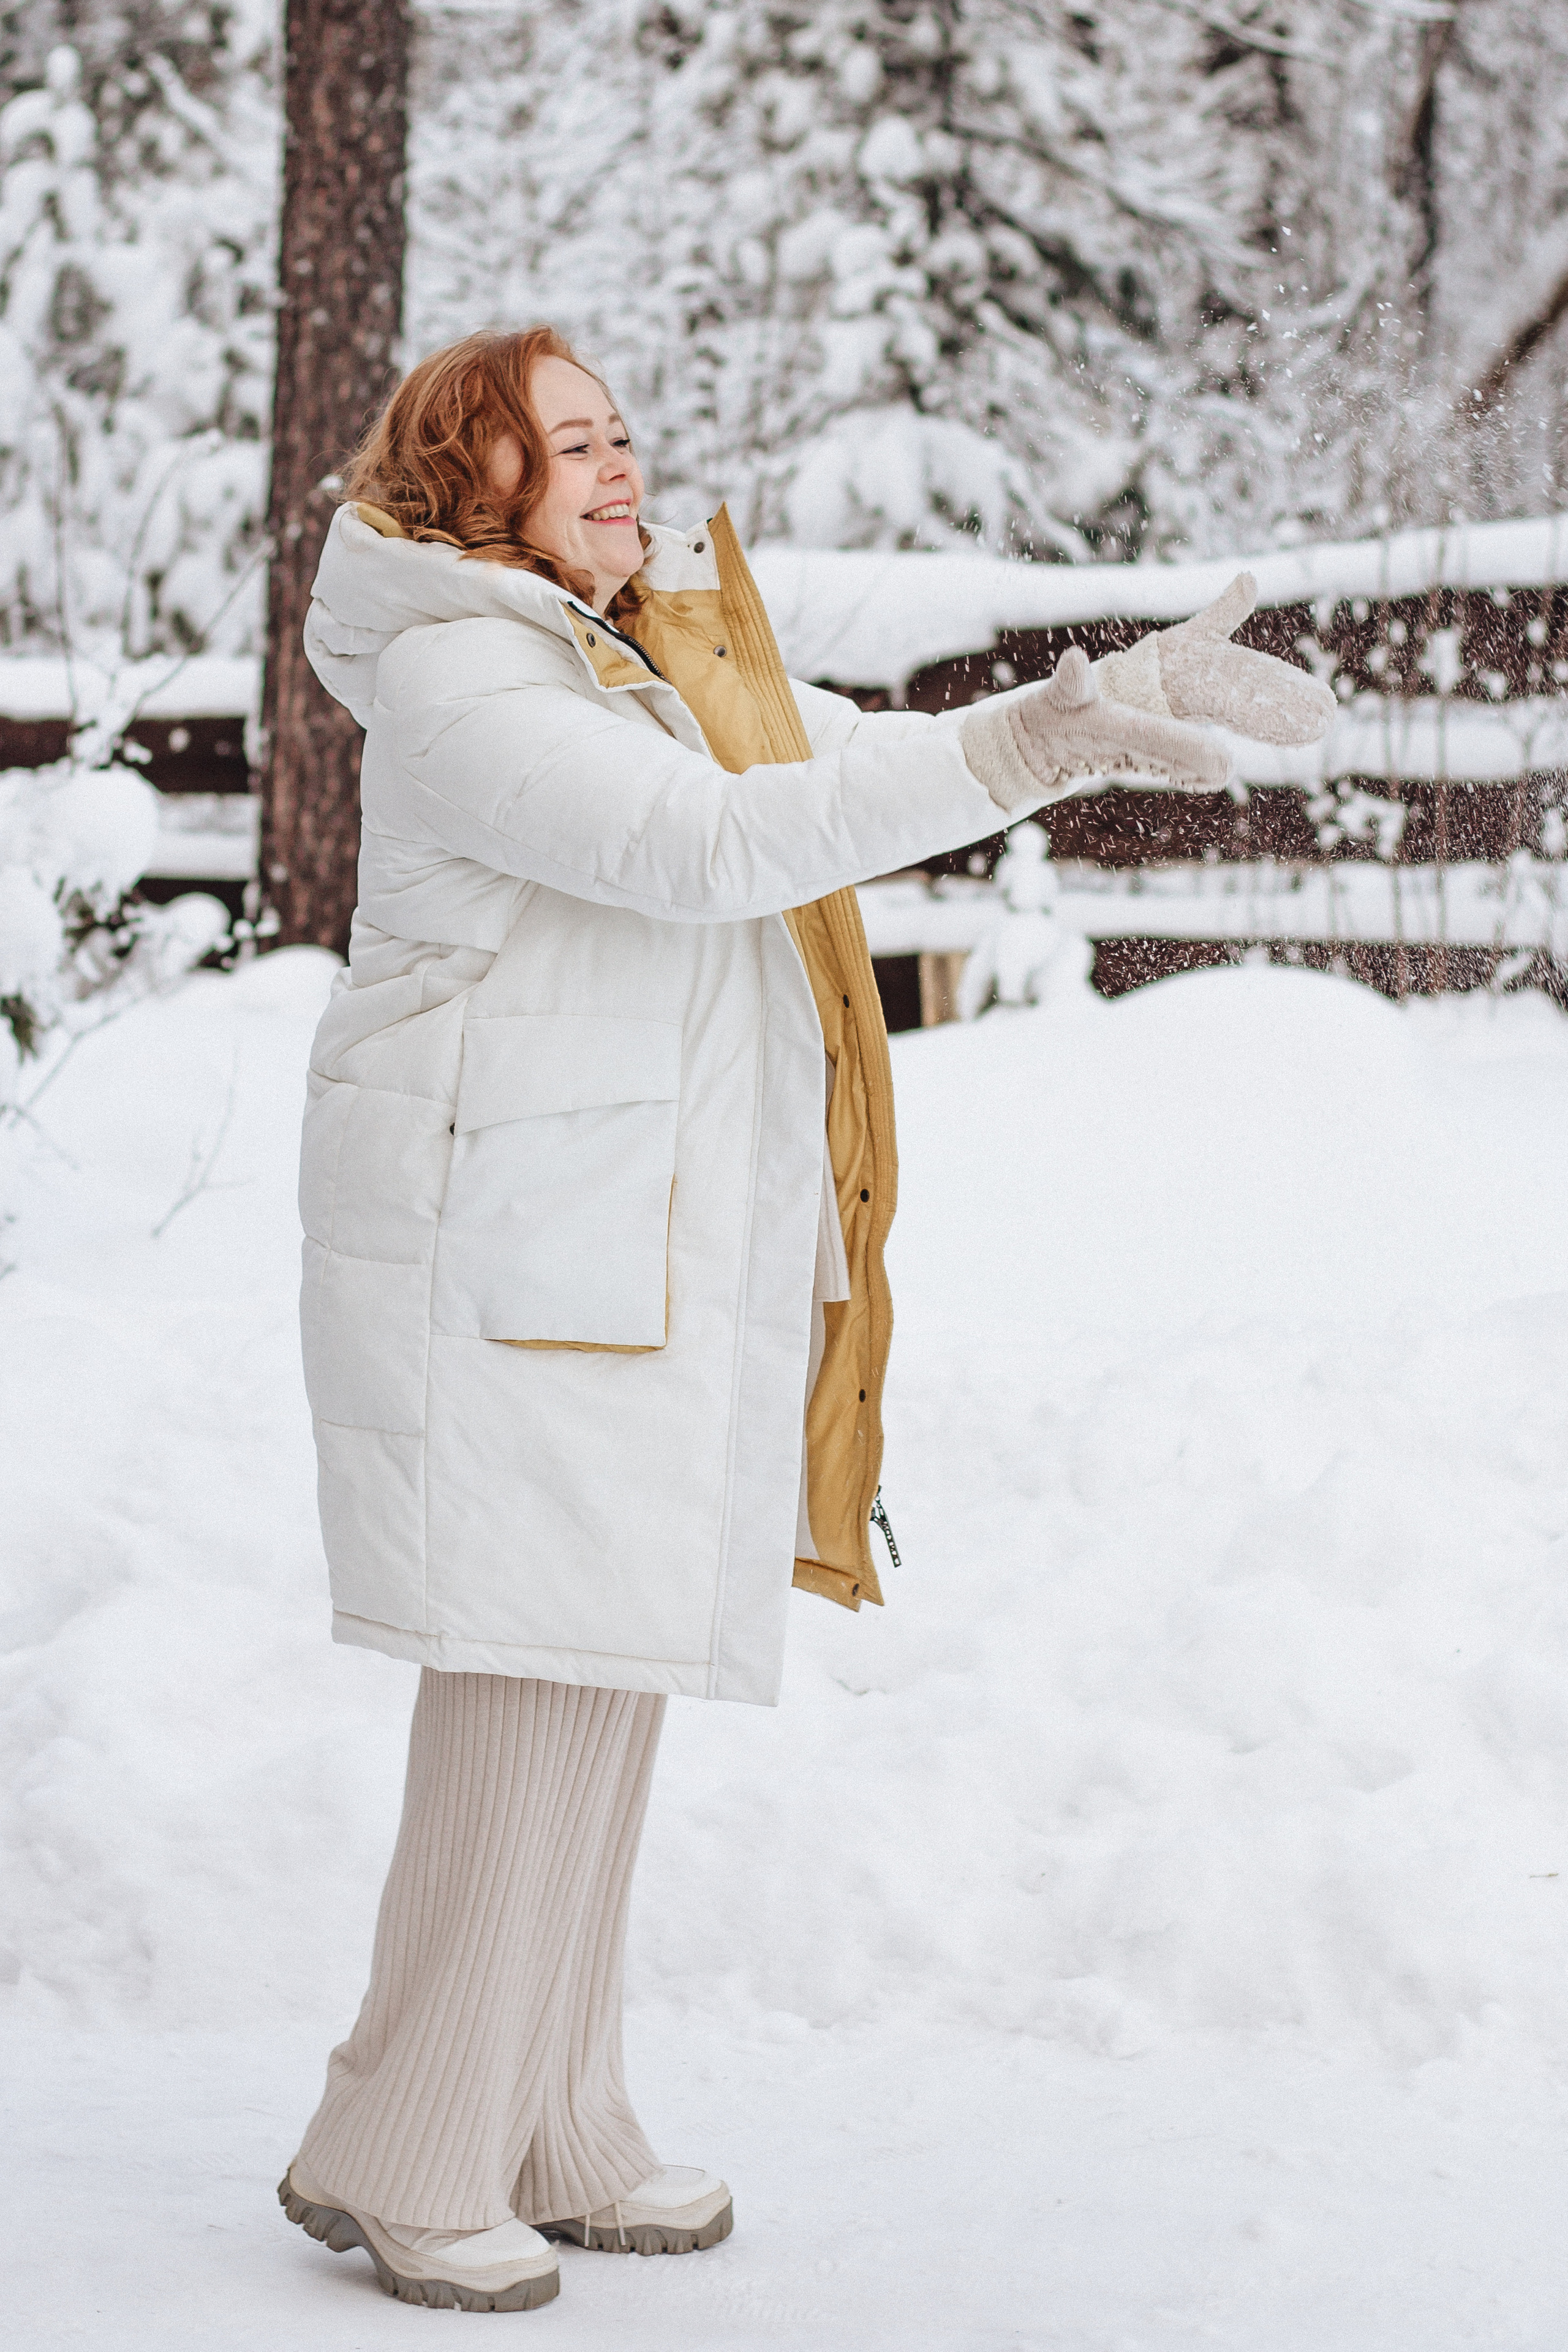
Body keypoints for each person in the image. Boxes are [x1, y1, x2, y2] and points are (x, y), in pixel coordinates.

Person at [277, 326, 1333, 2312]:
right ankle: (406, 2144)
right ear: (469, 480)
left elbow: (821, 758)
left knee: (597, 1687)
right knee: (522, 1703)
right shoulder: (458, 677)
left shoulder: (617, 656)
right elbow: (708, 847)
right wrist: (1027, 753)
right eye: (565, 440)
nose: (617, 463)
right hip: (495, 1263)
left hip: (599, 1252)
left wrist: (1083, 707)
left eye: (620, 429)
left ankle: (551, 2117)